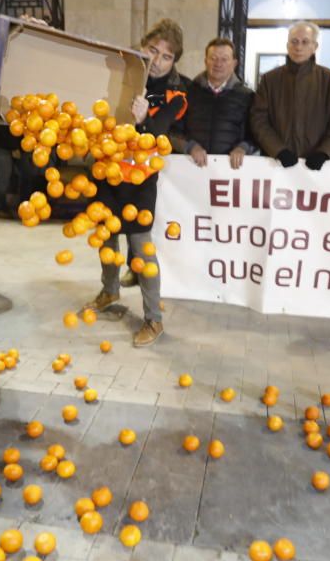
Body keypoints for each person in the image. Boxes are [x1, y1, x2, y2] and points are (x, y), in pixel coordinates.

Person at [82, 18, 188, 347]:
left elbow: (160, 131)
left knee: (142, 247)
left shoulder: (177, 93)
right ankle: (110, 290)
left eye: (166, 56)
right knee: (105, 237)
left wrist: (145, 118)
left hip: (140, 180)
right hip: (107, 171)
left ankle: (153, 320)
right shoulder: (122, 72)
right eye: (152, 50)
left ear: (174, 62)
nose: (156, 60)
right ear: (142, 46)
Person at [249, 21, 330, 170]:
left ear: (314, 47)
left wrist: (324, 151)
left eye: (305, 42)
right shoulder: (269, 79)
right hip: (276, 164)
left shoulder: (329, 79)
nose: (298, 47)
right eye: (294, 42)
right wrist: (278, 150)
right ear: (287, 45)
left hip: (316, 166)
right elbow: (258, 119)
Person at [178, 37, 255, 169]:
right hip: (191, 168)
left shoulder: (248, 96)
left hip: (231, 172)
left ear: (234, 63)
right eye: (213, 58)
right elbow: (173, 131)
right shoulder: (187, 92)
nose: (218, 64)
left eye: (224, 59)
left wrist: (243, 148)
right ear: (205, 61)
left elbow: (256, 134)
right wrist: (190, 146)